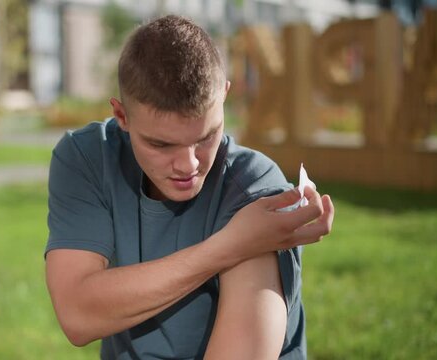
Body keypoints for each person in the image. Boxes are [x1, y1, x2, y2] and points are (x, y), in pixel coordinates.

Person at [45, 15, 334, 360]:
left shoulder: (255, 190)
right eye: (161, 145)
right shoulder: (88, 157)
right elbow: (78, 315)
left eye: (205, 137)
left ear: (224, 95)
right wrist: (231, 245)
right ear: (122, 117)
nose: (190, 165)